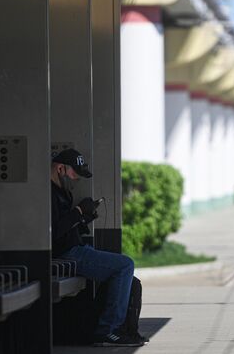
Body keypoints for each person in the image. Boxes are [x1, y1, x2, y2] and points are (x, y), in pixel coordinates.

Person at [50, 148, 148, 347]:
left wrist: (83, 217)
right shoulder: (48, 194)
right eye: (74, 174)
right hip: (67, 254)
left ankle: (125, 329)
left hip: (76, 248)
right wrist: (77, 212)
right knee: (125, 265)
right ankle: (108, 331)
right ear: (60, 168)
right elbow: (52, 232)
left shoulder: (62, 192)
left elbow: (67, 226)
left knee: (129, 277)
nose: (76, 179)